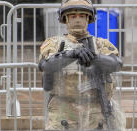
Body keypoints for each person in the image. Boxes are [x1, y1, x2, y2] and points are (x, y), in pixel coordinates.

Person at [38, 0, 126, 130]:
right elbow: (46, 65)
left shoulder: (101, 44)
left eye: (82, 16)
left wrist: (94, 57)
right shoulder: (54, 43)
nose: (77, 20)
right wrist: (71, 54)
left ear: (88, 19)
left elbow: (116, 64)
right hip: (63, 111)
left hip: (96, 111)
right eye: (73, 16)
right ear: (65, 19)